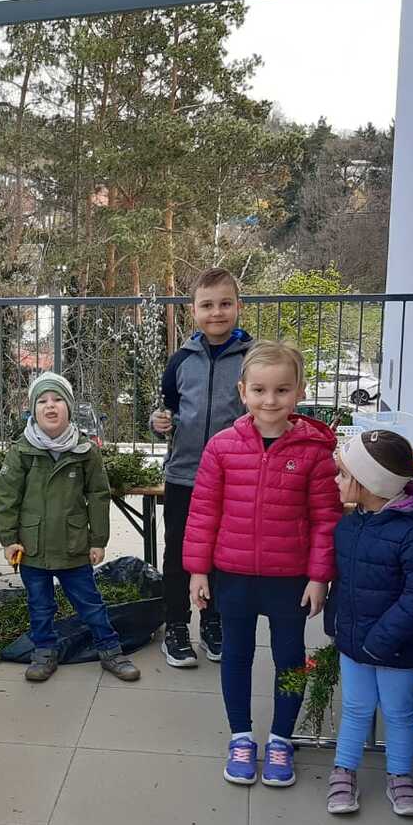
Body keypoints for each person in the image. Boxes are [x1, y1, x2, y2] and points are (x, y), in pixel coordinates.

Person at [182, 341, 342, 787]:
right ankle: (241, 737)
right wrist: (198, 570)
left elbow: (326, 519)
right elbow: (203, 512)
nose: (270, 401)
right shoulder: (221, 447)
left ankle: (280, 740)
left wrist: (319, 577)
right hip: (232, 576)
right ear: (243, 391)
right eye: (259, 390)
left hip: (289, 580)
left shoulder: (314, 452)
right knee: (236, 655)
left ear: (300, 391)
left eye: (282, 390)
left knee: (290, 659)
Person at [324, 430, 413, 818]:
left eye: (343, 474)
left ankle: (400, 776)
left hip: (399, 649)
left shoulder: (412, 535)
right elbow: (343, 582)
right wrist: (335, 624)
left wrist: (382, 639)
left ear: (370, 483)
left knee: (400, 712)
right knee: (356, 708)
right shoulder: (350, 526)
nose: (336, 480)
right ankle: (343, 770)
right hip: (355, 643)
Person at [0, 373, 140, 684]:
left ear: (69, 408)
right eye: (42, 401)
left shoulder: (84, 451)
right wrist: (9, 540)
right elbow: (7, 497)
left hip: (73, 545)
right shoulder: (22, 451)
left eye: (58, 399)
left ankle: (110, 649)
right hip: (32, 546)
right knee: (40, 605)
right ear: (33, 410)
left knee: (90, 602)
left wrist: (98, 539)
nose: (50, 406)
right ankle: (44, 651)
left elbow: (98, 495)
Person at [150, 268, 250, 669]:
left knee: (224, 555)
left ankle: (214, 622)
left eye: (225, 304)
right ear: (193, 311)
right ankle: (176, 625)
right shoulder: (180, 361)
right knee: (178, 552)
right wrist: (159, 424)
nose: (216, 312)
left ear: (239, 306)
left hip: (234, 478)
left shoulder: (252, 359)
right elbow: (168, 411)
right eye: (207, 305)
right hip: (184, 475)